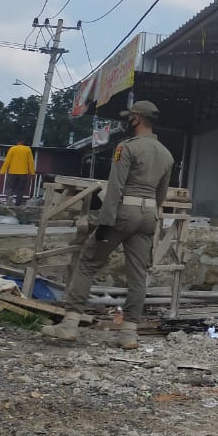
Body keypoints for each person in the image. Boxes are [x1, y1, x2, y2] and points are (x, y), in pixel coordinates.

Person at [43, 100, 174, 350]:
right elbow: (161, 195)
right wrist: (154, 218)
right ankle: (129, 333)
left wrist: (105, 222)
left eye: (129, 118)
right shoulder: (166, 154)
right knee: (138, 275)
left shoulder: (127, 147)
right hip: (148, 215)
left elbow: (115, 187)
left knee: (88, 261)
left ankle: (69, 324)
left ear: (136, 119)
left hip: (124, 211)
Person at [0, 137, 36, 206]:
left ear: (17, 142)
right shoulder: (27, 149)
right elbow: (30, 162)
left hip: (12, 172)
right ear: (23, 142)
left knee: (10, 187)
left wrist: (2, 171)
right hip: (23, 173)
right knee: (20, 189)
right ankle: (18, 204)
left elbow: (7, 161)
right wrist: (32, 173)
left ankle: (9, 200)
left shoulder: (12, 149)